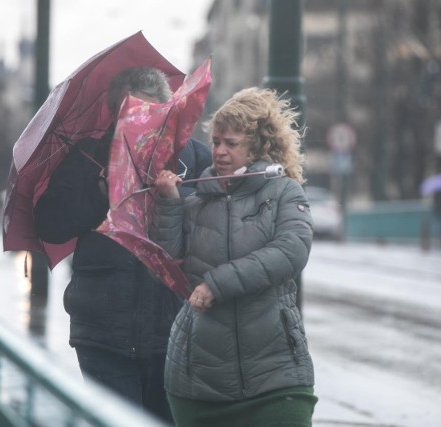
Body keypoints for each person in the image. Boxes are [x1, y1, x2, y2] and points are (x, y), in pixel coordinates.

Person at [33, 67, 211, 423]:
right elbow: (49, 225)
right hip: (102, 331)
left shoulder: (193, 157)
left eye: (150, 113)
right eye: (131, 114)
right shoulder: (89, 156)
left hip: (172, 331)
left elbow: (211, 236)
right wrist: (99, 197)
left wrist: (172, 201)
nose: (141, 122)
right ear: (116, 114)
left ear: (166, 112)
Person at [150, 87, 317, 427]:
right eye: (216, 142)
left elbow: (291, 250)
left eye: (232, 143)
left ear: (256, 146)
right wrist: (169, 202)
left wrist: (217, 285)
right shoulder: (196, 200)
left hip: (276, 375)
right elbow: (169, 263)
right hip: (199, 383)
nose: (220, 152)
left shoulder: (285, 192)